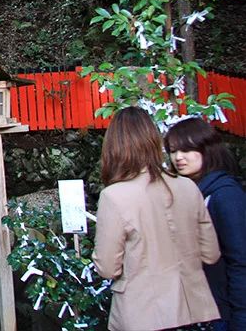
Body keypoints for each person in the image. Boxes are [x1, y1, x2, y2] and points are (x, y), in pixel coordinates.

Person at [93, 106, 221, 331]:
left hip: (144, 313)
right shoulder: (187, 186)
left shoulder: (114, 196)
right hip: (194, 310)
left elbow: (107, 267)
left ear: (114, 147)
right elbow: (211, 254)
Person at [165, 118, 246, 331]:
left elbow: (240, 260)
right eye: (173, 151)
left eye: (187, 149)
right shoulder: (190, 192)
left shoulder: (225, 194)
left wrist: (240, 317)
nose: (178, 157)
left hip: (224, 312)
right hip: (200, 311)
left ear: (207, 149)